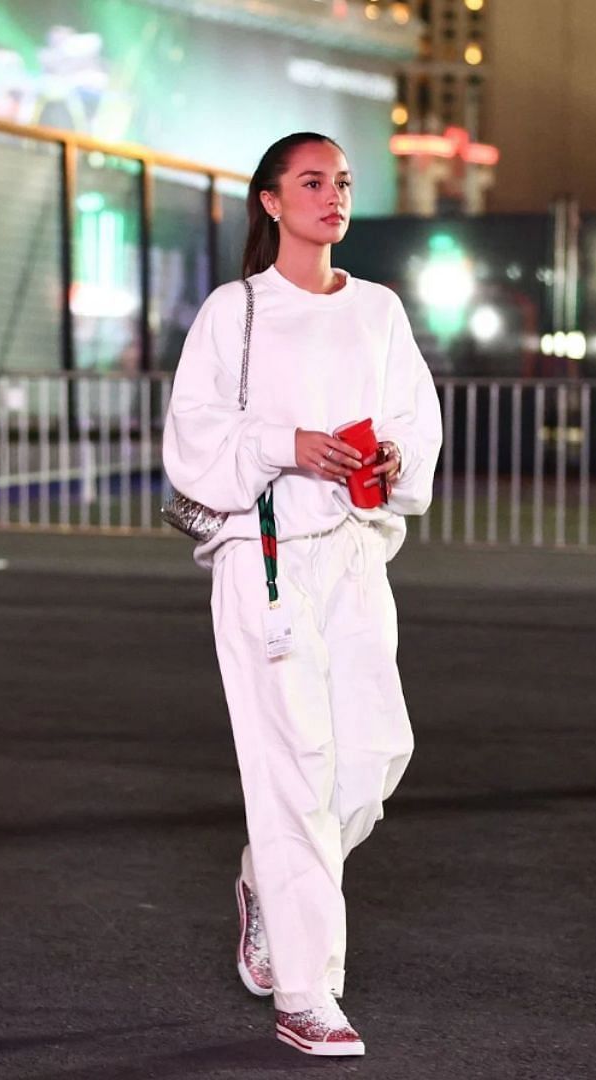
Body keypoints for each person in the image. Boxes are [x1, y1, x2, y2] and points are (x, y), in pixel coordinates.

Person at [162, 131, 442, 1058]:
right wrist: (289, 441)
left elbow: (414, 423)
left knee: (374, 758)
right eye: (312, 182)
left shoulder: (379, 310)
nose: (333, 196)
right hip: (266, 559)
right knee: (293, 772)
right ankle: (307, 990)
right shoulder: (233, 311)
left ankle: (263, 883)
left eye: (343, 182)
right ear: (271, 202)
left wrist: (393, 455)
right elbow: (193, 438)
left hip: (358, 559)